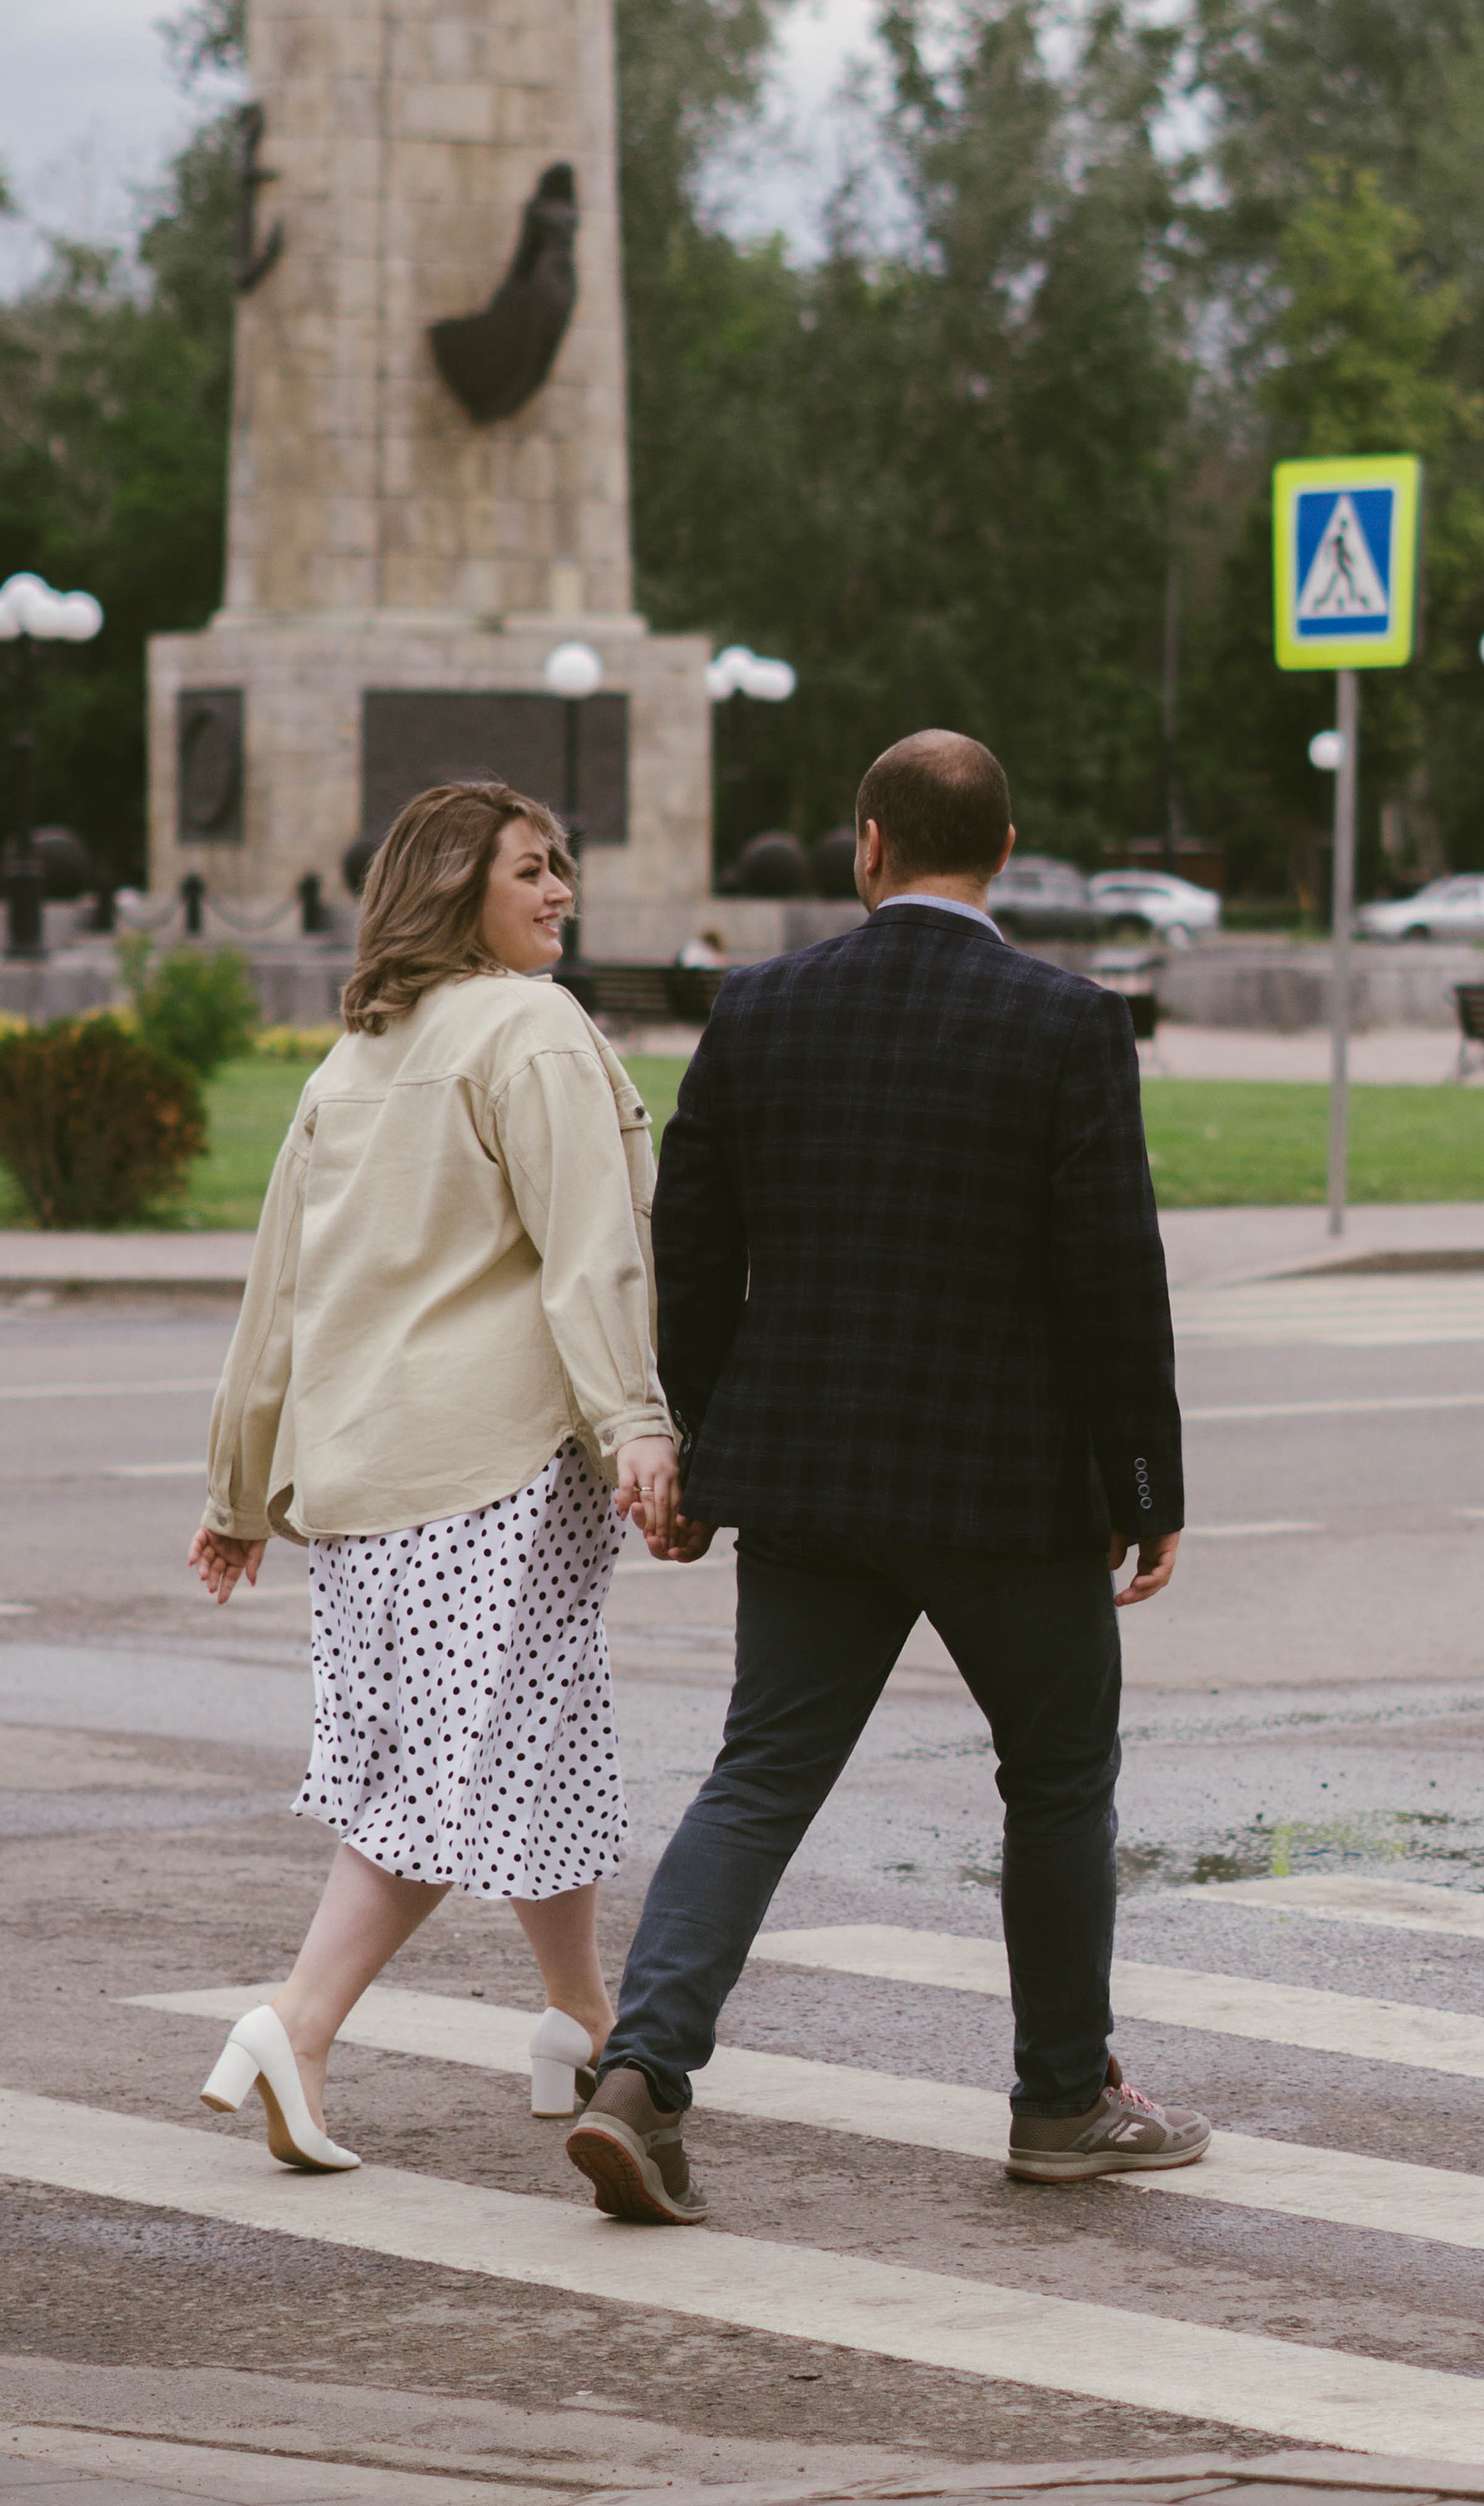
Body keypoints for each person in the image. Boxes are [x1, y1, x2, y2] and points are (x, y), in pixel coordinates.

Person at [567, 730, 1202, 2225]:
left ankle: (642, 2077)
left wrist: (709, 1454)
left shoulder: (763, 1007)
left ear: (867, 846)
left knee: (761, 1774)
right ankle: (1061, 2101)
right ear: (1003, 849)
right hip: (1008, 1495)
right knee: (1055, 1784)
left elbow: (699, 1251)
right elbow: (1114, 1277)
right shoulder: (1067, 1025)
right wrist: (1143, 1484)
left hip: (812, 1483)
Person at [188, 782, 679, 2170]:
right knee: (446, 1773)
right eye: (531, 871)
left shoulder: (349, 1063)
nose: (559, 893)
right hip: (493, 1470)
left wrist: (237, 1495)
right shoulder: (532, 1029)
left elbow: (275, 1296)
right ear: (457, 884)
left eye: (562, 870)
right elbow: (591, 1248)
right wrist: (637, 1419)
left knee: (545, 1734)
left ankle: (581, 2019)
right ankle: (300, 2020)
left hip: (363, 1480)